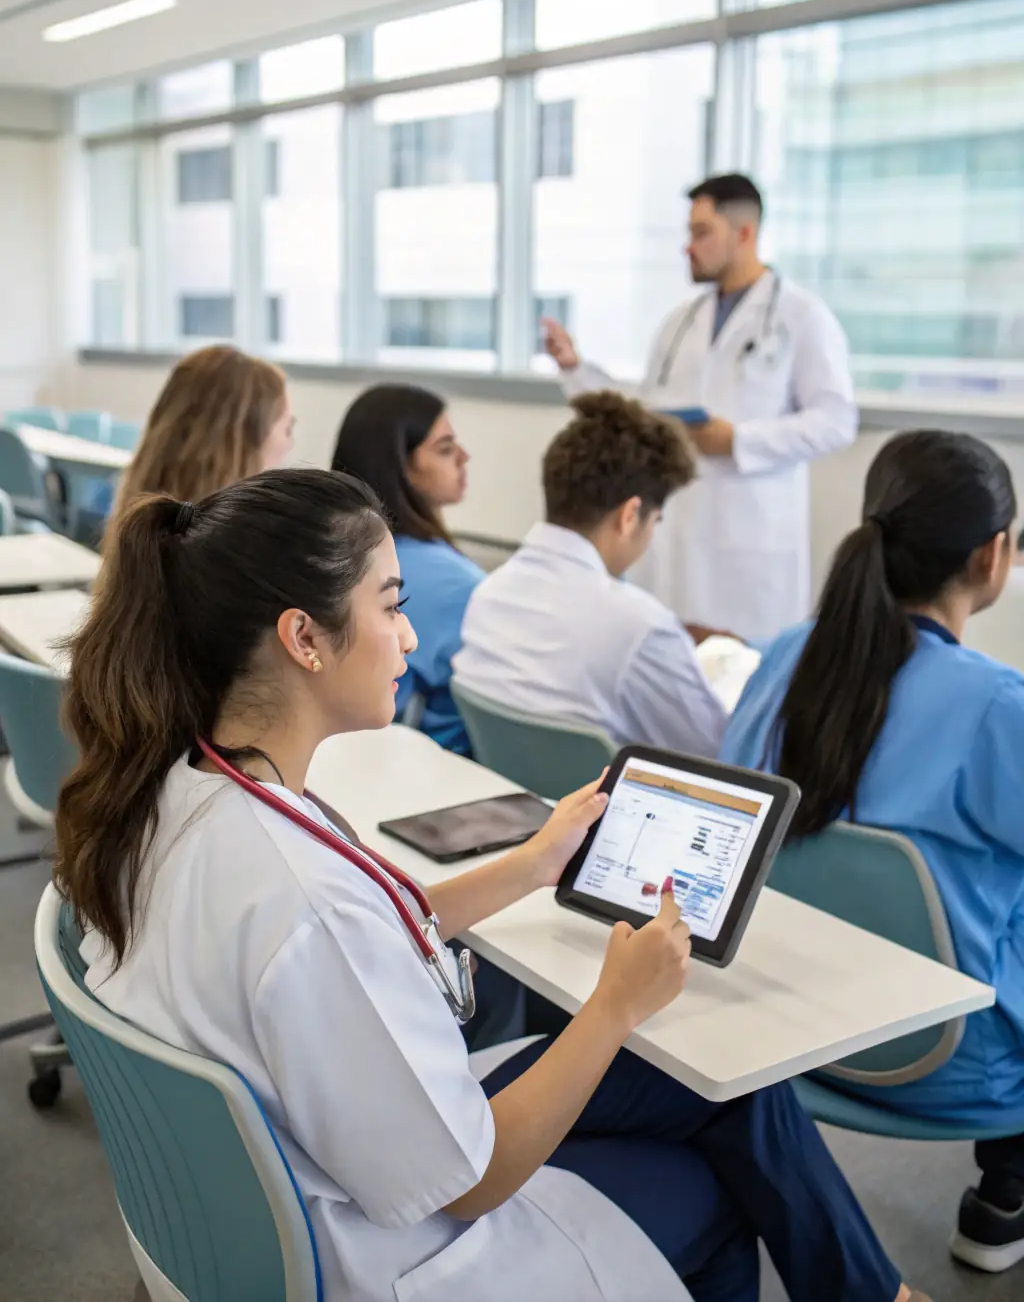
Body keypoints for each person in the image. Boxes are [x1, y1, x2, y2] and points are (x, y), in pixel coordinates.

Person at [53, 467, 927, 1302]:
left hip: (291, 1177)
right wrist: (615, 1004)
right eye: (391, 606)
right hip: (402, 1248)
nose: (411, 637)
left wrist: (534, 862)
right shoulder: (307, 902)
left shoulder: (183, 789)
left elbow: (361, 930)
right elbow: (472, 1179)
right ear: (303, 638)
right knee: (719, 1188)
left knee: (734, 1085)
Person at [721, 429, 1024, 1274]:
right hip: (953, 1062)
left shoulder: (783, 656)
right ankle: (1008, 1186)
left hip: (788, 1024)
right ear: (993, 557)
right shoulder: (996, 705)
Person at [542, 173, 857, 644]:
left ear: (745, 233)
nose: (688, 247)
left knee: (743, 677)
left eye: (701, 232)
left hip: (752, 543)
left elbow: (836, 421)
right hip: (678, 533)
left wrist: (738, 440)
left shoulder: (802, 317)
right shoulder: (680, 323)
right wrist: (576, 370)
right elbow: (643, 409)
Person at [454, 392, 729, 757]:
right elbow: (719, 753)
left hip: (513, 802)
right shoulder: (641, 627)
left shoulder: (489, 594)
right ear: (630, 515)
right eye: (655, 521)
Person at [331, 383, 482, 754]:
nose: (465, 457)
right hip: (419, 766)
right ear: (400, 465)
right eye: (445, 449)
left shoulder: (329, 551)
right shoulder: (461, 585)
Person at [108, 343, 294, 530]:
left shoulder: (136, 532)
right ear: (243, 446)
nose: (289, 445)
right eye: (287, 429)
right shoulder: (252, 543)